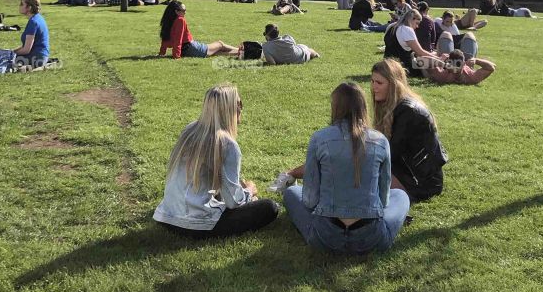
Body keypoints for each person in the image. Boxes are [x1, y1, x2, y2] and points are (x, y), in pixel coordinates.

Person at [278, 81, 410, 256]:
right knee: (400, 195)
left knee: (292, 192)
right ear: (363, 107)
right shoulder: (380, 141)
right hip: (371, 237)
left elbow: (310, 200)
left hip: (325, 236)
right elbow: (384, 199)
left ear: (335, 107)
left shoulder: (319, 139)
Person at [153, 84, 278, 237]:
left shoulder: (190, 130)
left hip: (166, 216)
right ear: (230, 108)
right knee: (269, 207)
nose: (241, 108)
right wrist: (249, 191)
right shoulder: (227, 144)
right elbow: (233, 202)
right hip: (195, 224)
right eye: (239, 104)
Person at [371, 59, 447, 202]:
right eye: (373, 81)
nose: (374, 87)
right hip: (407, 172)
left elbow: (390, 153)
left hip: (422, 182)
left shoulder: (408, 112)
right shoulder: (397, 105)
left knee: (363, 173)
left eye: (379, 83)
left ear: (394, 85)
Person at [158, 0, 236, 60]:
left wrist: (162, 52)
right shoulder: (180, 20)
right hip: (190, 48)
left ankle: (242, 51)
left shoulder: (168, 20)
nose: (185, 12)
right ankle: (242, 50)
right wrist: (176, 56)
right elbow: (178, 39)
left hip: (186, 50)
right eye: (183, 10)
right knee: (220, 44)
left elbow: (165, 38)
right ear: (176, 11)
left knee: (218, 52)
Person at [384, 7, 437, 75]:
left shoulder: (391, 26)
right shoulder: (407, 30)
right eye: (417, 23)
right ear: (412, 19)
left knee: (432, 55)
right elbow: (420, 52)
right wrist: (438, 58)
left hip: (387, 64)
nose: (417, 26)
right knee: (430, 61)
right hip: (403, 66)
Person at [423, 49, 496, 85]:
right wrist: (476, 60)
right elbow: (491, 67)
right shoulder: (471, 78)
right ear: (464, 63)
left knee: (446, 35)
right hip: (449, 59)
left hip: (447, 59)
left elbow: (421, 60)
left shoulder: (442, 76)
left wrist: (441, 60)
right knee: (469, 36)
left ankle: (435, 52)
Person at [14, 0, 50, 67]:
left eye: (22, 4)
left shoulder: (33, 22)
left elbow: (26, 50)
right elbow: (26, 46)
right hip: (41, 56)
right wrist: (12, 51)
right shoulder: (38, 18)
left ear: (29, 8)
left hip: (36, 58)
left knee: (2, 59)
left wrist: (11, 53)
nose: (19, 6)